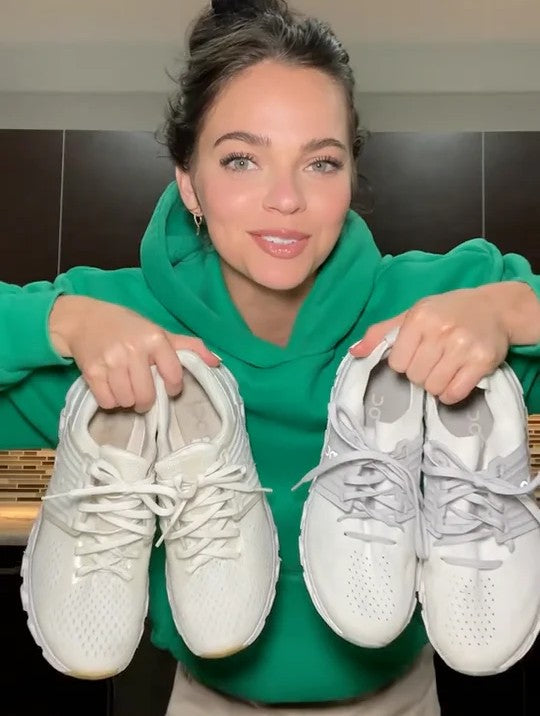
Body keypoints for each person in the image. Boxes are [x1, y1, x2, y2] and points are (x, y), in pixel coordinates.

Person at [2, 0, 540, 713]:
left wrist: (512, 311)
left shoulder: (436, 300)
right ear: (188, 181)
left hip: (405, 697)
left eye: (320, 162)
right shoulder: (116, 321)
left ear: (350, 176)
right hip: (207, 700)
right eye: (241, 159)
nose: (286, 199)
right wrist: (59, 323)